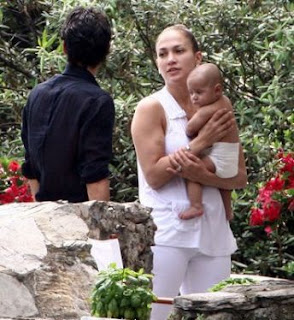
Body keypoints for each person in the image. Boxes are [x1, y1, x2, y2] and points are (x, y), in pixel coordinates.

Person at [131, 24, 247, 320]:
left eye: (178, 51)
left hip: (214, 232)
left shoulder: (220, 106)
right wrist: (202, 143)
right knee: (155, 315)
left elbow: (238, 177)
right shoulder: (151, 108)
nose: (170, 59)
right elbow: (155, 176)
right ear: (156, 63)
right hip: (167, 231)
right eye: (162, 53)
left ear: (198, 58)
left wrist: (203, 175)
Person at [21, 7, 115, 203]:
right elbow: (94, 174)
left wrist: (43, 210)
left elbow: (30, 167)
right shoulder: (98, 101)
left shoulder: (37, 94)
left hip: (44, 218)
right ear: (107, 50)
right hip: (80, 220)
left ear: (64, 47)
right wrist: (101, 233)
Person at [180, 62, 240, 221]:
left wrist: (189, 123)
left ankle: (196, 205)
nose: (194, 97)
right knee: (224, 187)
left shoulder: (210, 108)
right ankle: (228, 212)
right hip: (231, 161)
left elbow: (190, 128)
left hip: (218, 159)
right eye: (191, 93)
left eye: (199, 92)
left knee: (192, 172)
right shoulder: (226, 102)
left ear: (217, 90)